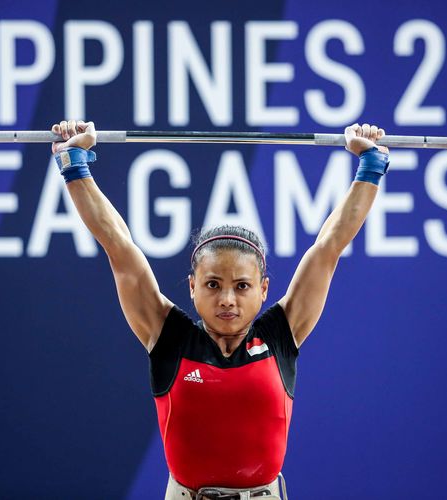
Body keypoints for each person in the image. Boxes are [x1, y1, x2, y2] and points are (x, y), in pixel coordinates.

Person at [51, 120, 389, 500]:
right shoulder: (169, 336)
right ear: (192, 287)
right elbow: (119, 247)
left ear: (263, 290)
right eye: (213, 285)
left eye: (241, 287)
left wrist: (370, 164)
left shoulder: (282, 331)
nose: (227, 299)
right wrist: (75, 163)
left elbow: (330, 243)